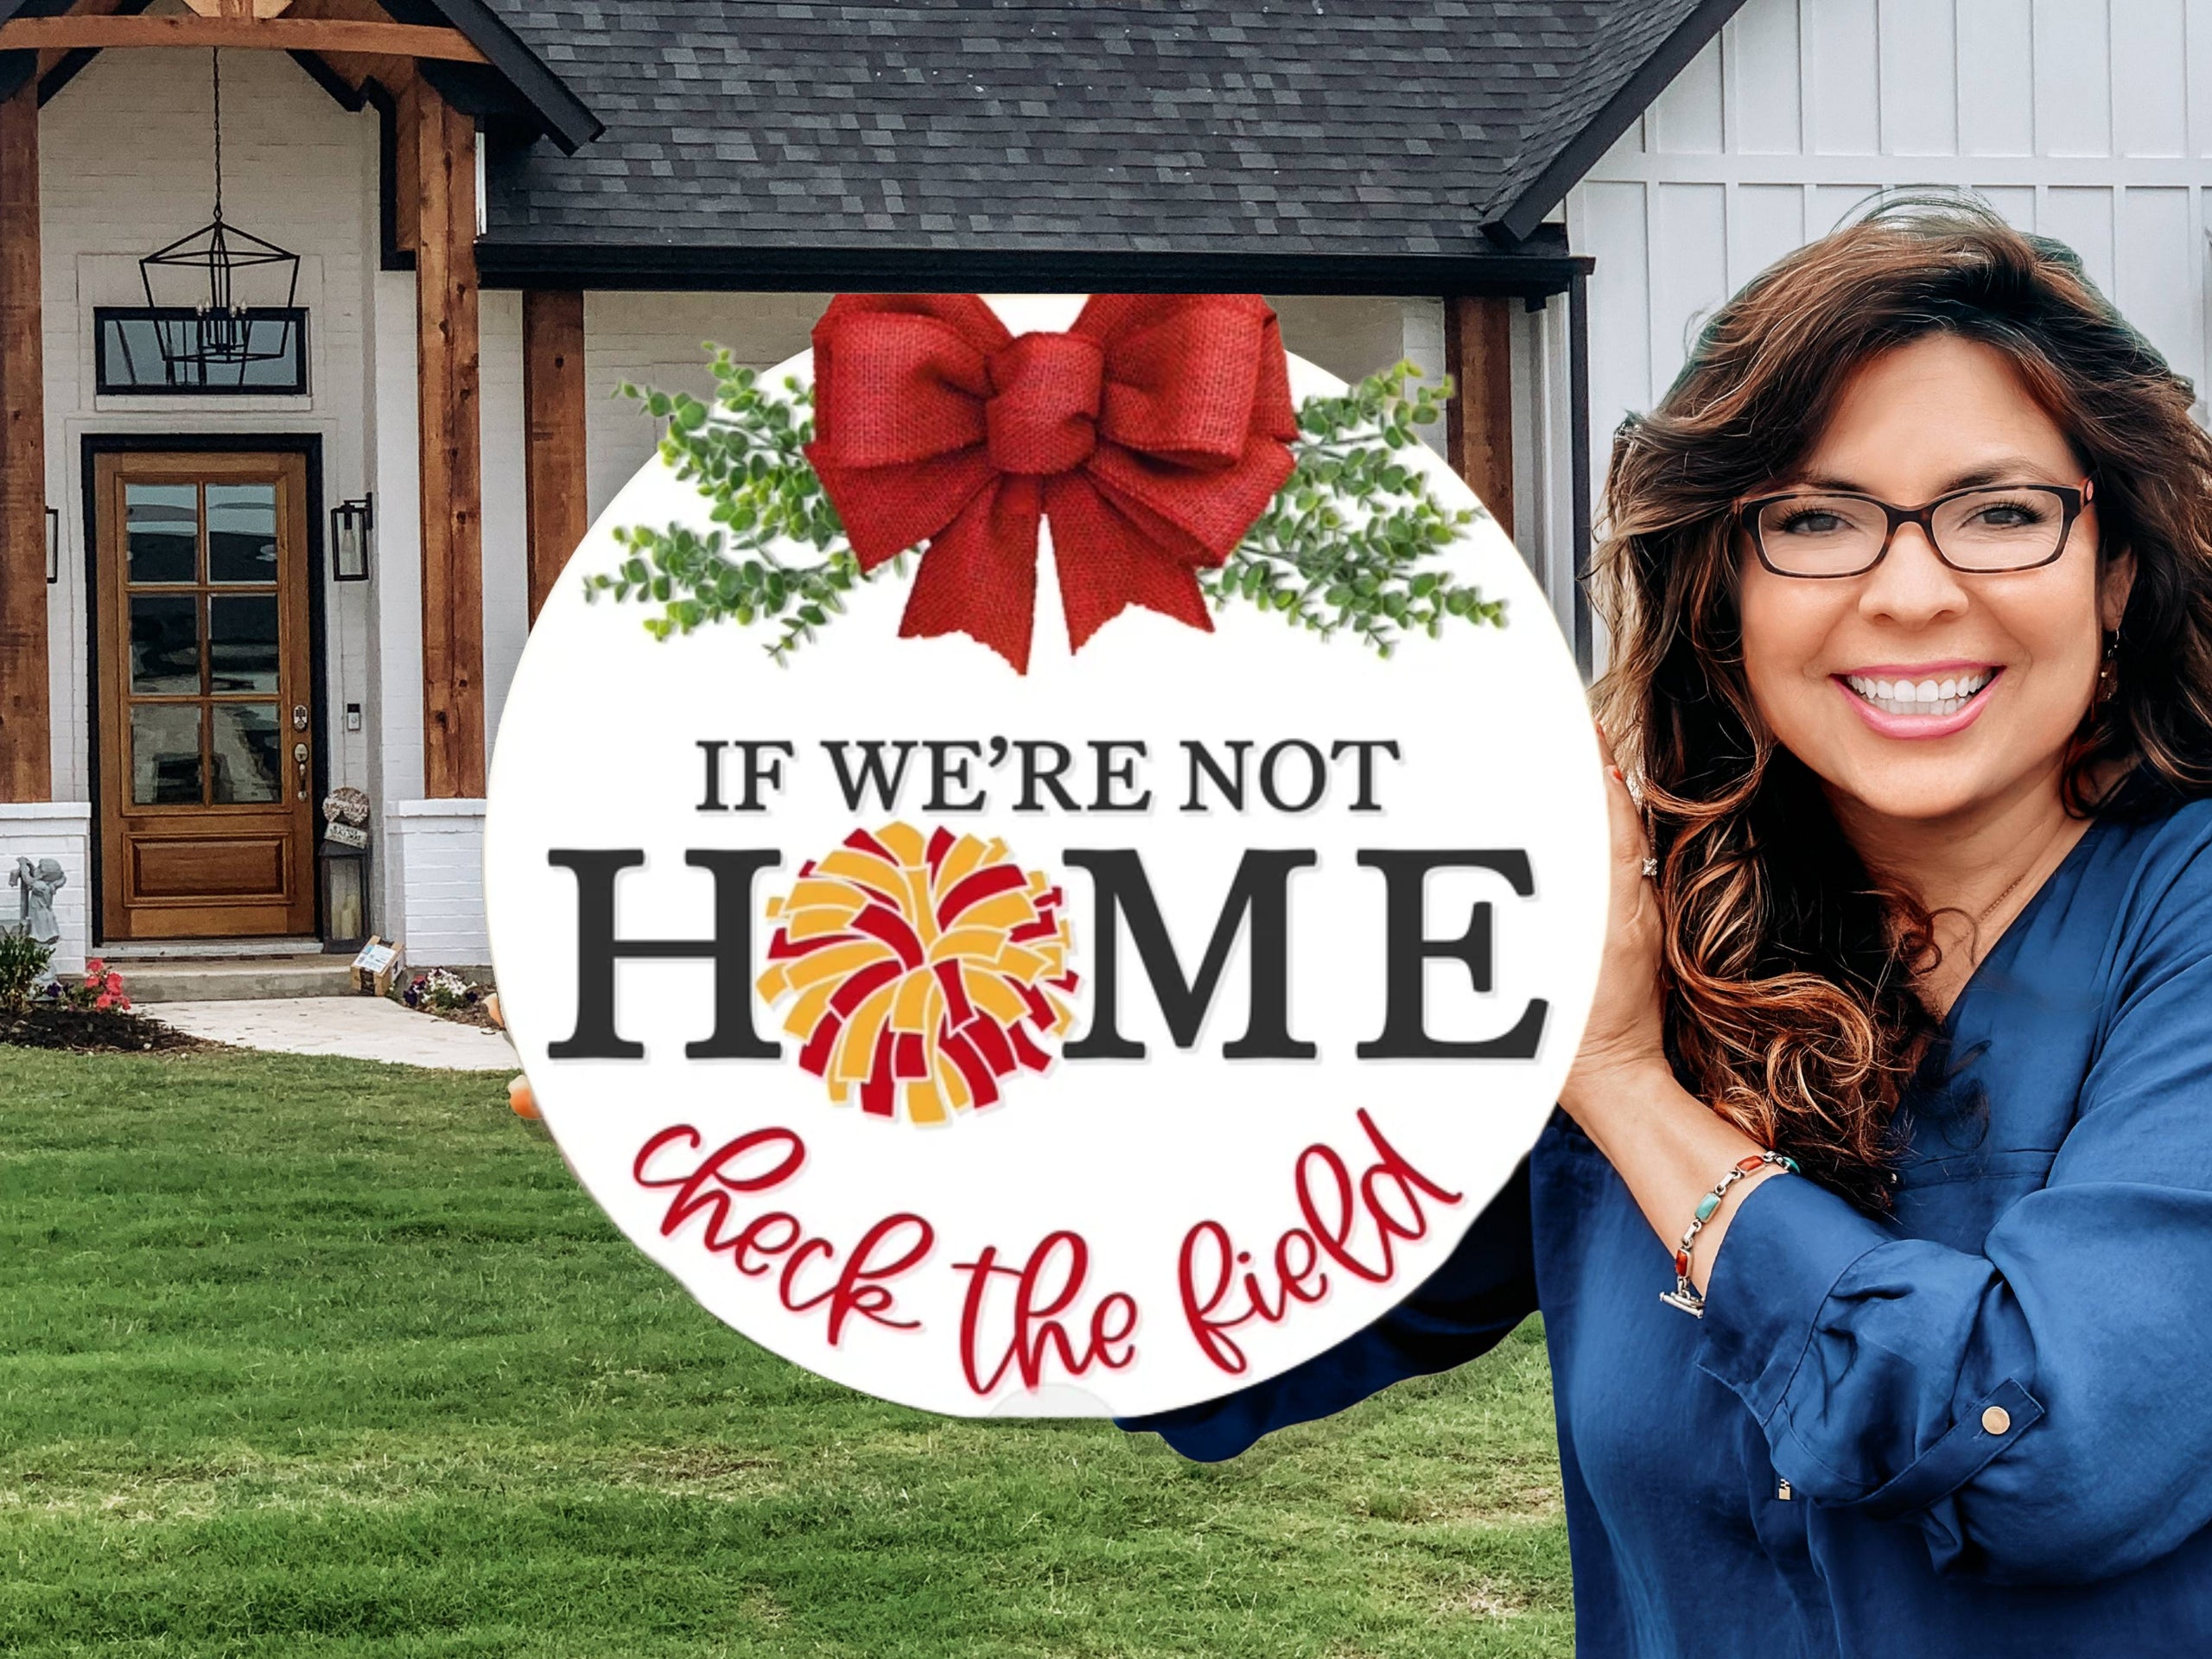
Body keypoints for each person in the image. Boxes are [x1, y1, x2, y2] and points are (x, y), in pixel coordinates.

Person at [1121, 196, 2212, 1656]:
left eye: (2001, 512)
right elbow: (1219, 1336)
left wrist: (1629, 1088)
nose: (1908, 591)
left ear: (2118, 572)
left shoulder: (2177, 924)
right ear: (1724, 593)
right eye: (1814, 520)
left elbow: (2048, 1456)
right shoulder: (1644, 926)